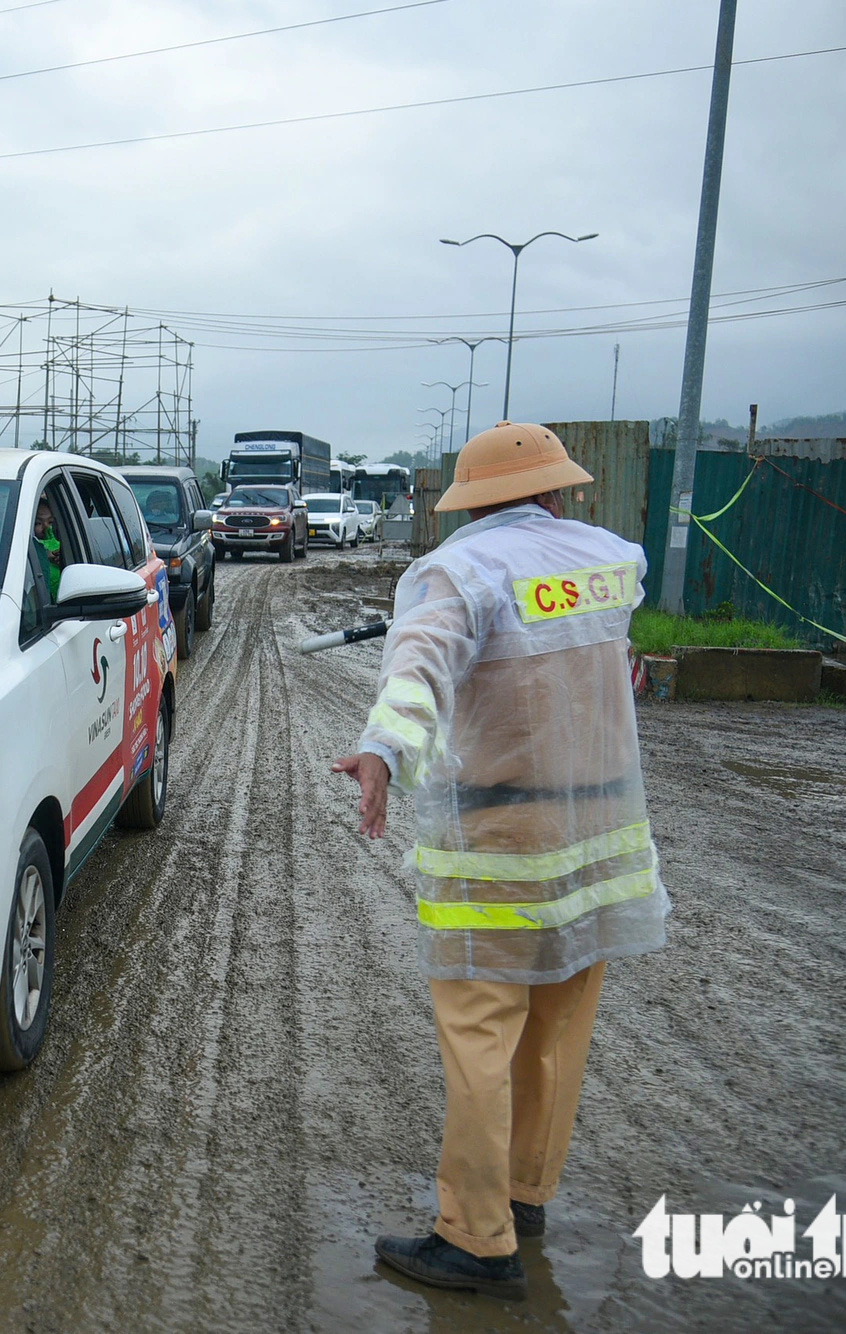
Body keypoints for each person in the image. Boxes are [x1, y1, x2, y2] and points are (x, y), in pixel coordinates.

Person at [330, 422, 669, 1302]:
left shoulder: (464, 570)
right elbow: (617, 670)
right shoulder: (603, 564)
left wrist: (382, 750)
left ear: (472, 503)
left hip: (499, 846)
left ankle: (477, 1241)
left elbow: (419, 666)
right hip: (595, 842)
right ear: (554, 492)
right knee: (557, 1028)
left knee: (481, 1035)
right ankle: (525, 1192)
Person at [33, 498, 64, 599]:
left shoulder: (67, 547)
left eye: (51, 522)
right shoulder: (18, 552)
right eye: (38, 523)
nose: (46, 527)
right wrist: (42, 555)